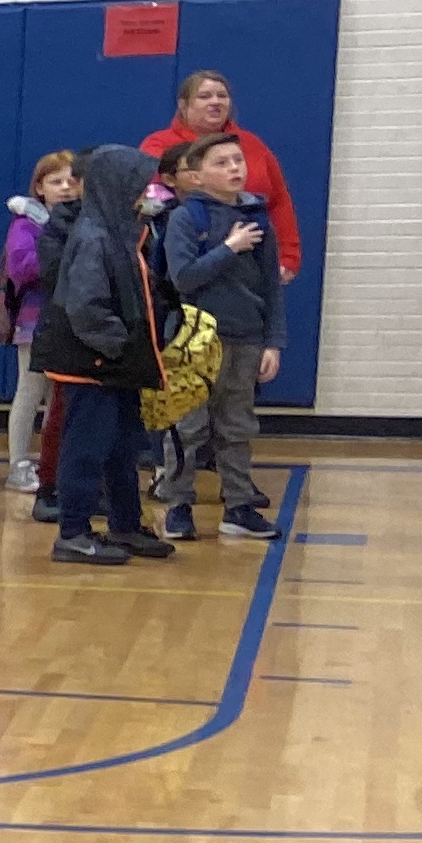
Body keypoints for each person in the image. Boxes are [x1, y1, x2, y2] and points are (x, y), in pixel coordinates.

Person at [28, 144, 181, 568]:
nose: (145, 193)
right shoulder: (93, 237)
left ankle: (125, 524)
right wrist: (119, 346)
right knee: (86, 448)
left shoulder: (123, 232)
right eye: (138, 184)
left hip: (116, 364)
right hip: (92, 363)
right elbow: (86, 307)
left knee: (121, 447)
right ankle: (73, 533)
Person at [151, 131, 284, 541]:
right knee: (188, 427)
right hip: (194, 340)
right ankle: (178, 504)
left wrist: (273, 342)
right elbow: (184, 278)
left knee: (237, 425)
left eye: (237, 161)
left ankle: (240, 506)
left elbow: (271, 289)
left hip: (245, 338)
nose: (234, 169)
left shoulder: (259, 217)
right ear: (196, 174)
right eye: (221, 163)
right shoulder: (186, 219)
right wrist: (229, 247)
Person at [141, 71, 304, 287]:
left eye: (222, 95)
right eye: (205, 96)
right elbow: (146, 203)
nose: (215, 102)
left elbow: (279, 201)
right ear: (183, 104)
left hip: (251, 260)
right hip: (188, 261)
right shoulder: (158, 146)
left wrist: (288, 254)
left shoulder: (253, 144)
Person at [0, 150, 80, 502]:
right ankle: (18, 465)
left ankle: (51, 462)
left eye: (71, 181)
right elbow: (23, 267)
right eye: (55, 181)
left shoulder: (83, 222)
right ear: (39, 188)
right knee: (29, 390)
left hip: (70, 319)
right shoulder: (26, 224)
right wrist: (61, 251)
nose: (64, 188)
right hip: (35, 321)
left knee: (57, 397)